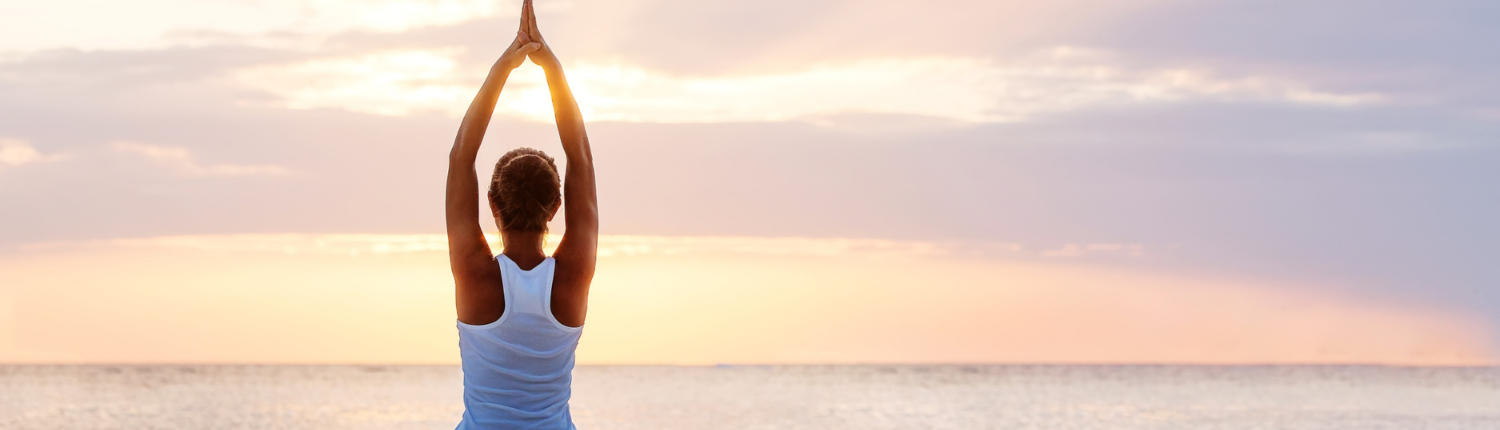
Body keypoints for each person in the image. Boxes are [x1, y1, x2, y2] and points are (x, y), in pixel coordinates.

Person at [444, 0, 597, 428]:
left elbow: (461, 158)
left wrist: (503, 68)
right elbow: (580, 158)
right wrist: (551, 69)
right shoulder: (572, 277)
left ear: (492, 205)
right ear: (555, 207)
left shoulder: (476, 275)